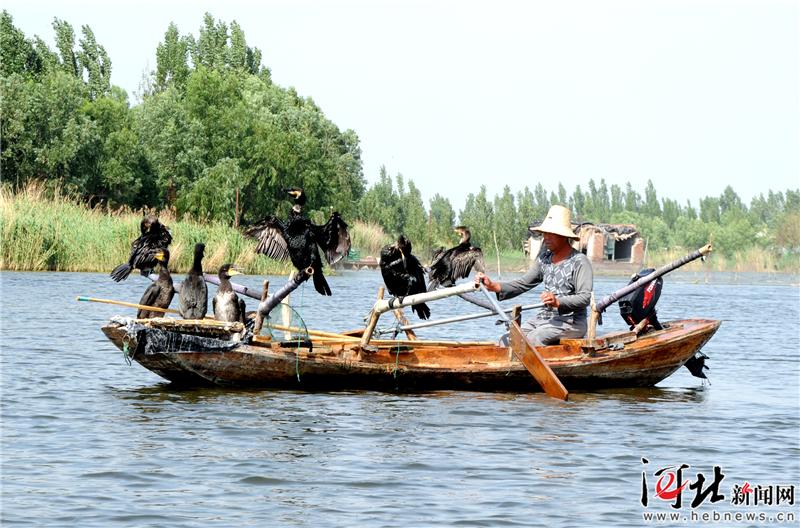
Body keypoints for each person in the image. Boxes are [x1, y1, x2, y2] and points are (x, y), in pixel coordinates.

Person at [475, 204, 593, 346]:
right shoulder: (544, 259)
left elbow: (585, 297)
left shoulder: (579, 261)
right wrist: (493, 285)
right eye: (544, 233)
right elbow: (523, 283)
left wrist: (558, 302)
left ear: (564, 236)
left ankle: (530, 367)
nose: (546, 238)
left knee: (534, 339)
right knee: (507, 340)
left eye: (551, 233)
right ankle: (509, 368)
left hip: (570, 322)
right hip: (544, 318)